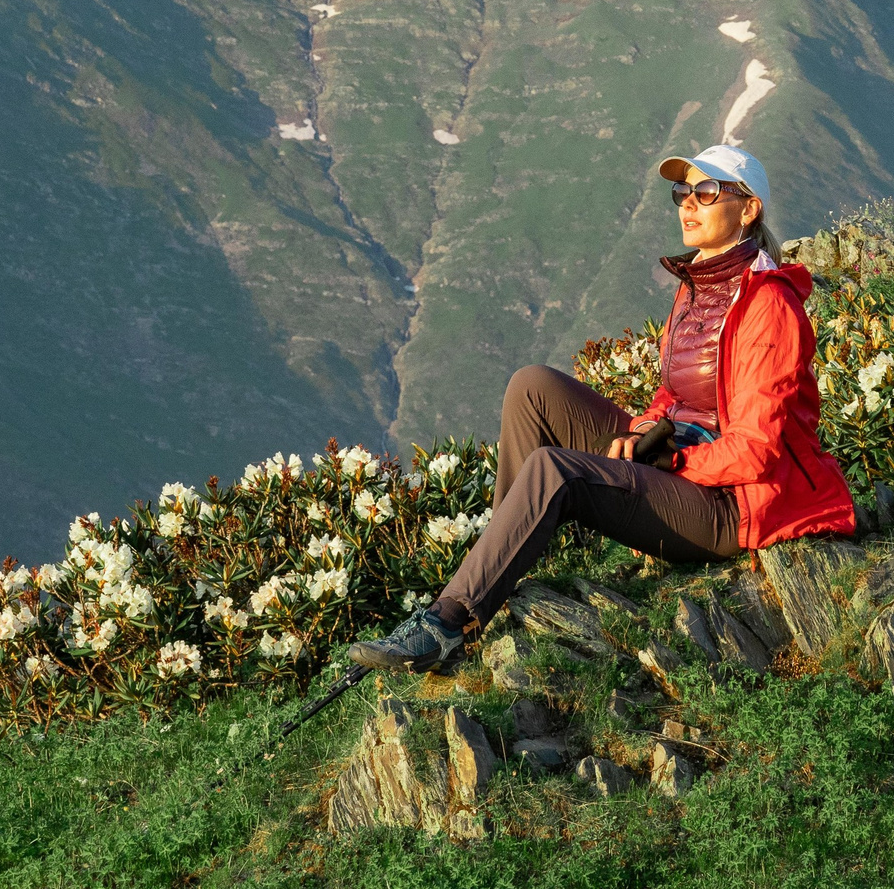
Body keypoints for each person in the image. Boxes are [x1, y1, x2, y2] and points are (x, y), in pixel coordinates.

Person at [348, 143, 856, 672]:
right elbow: (672, 396)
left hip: (733, 507)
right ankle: (492, 572)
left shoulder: (767, 305)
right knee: (532, 386)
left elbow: (758, 452)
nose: (688, 204)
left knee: (554, 470)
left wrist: (669, 461)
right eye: (684, 192)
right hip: (680, 461)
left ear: (748, 208)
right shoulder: (698, 288)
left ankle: (447, 626)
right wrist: (641, 434)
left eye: (706, 193)